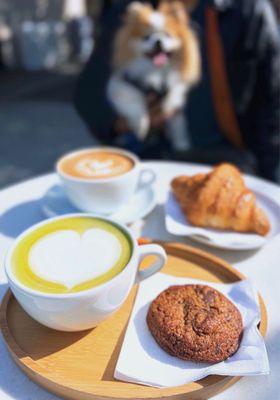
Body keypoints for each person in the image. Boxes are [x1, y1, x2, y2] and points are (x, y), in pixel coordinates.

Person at [74, 0, 280, 182]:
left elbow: (272, 103)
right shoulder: (129, 12)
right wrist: (128, 120)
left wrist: (271, 179)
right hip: (150, 160)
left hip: (226, 158)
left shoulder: (248, 10)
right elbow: (88, 96)